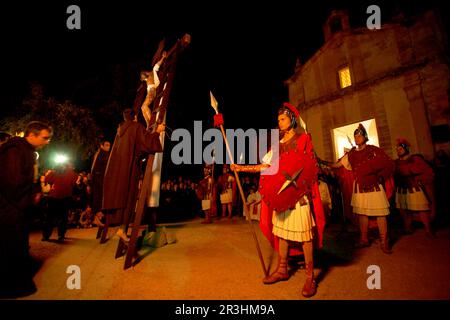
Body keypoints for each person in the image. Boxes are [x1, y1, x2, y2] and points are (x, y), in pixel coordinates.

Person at [231, 102, 325, 298]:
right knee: (281, 233)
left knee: (305, 236)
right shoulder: (277, 144)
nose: (279, 123)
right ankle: (282, 269)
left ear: (291, 119)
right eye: (278, 120)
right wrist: (242, 168)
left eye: (282, 119)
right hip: (282, 196)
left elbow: (309, 167)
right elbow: (266, 166)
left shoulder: (303, 139)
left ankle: (310, 277)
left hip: (299, 195)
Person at [0, 121, 52, 298]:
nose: (47, 142)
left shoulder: (27, 151)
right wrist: (31, 196)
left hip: (17, 210)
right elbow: (13, 182)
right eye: (44, 138)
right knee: (11, 249)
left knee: (19, 248)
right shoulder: (14, 150)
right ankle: (10, 287)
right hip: (10, 210)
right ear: (32, 135)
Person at [102, 108, 165, 242]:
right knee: (129, 197)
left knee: (121, 198)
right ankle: (122, 229)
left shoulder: (120, 131)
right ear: (135, 117)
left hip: (118, 171)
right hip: (130, 169)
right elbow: (147, 143)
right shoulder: (135, 127)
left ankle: (122, 228)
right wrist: (158, 132)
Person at [331, 124, 395, 254]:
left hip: (374, 185)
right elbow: (337, 164)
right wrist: (321, 162)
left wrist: (381, 177)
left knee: (380, 213)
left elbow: (389, 163)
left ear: (365, 136)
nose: (357, 137)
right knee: (362, 214)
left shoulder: (374, 150)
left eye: (359, 135)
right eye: (355, 135)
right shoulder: (352, 153)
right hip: (359, 186)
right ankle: (364, 238)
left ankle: (384, 241)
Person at [394, 138, 435, 236]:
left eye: (401, 149)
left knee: (422, 209)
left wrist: (410, 172)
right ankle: (407, 228)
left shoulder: (415, 159)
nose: (398, 151)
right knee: (404, 210)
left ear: (406, 149)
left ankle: (428, 230)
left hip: (414, 188)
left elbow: (427, 172)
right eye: (397, 149)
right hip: (401, 189)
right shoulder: (396, 162)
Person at [42, 162, 78, 242]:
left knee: (62, 217)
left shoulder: (69, 172)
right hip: (55, 197)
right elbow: (47, 179)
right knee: (50, 217)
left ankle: (60, 235)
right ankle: (47, 235)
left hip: (64, 197)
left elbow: (74, 180)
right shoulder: (55, 171)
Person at [90, 139, 111, 226]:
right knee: (99, 198)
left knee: (99, 198)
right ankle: (97, 218)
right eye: (106, 145)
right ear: (101, 146)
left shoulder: (99, 154)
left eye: (109, 145)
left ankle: (98, 218)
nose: (108, 147)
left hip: (98, 179)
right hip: (99, 180)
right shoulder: (103, 154)